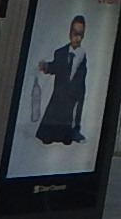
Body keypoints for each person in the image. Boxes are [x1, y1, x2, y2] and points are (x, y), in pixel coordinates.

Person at [33, 16, 89, 146]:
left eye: (80, 34)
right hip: (59, 92)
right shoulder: (60, 52)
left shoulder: (82, 55)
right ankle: (48, 135)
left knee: (69, 115)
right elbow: (56, 67)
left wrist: (79, 92)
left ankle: (69, 134)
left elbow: (80, 75)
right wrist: (46, 67)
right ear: (70, 33)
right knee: (54, 114)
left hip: (74, 93)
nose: (77, 38)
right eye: (75, 33)